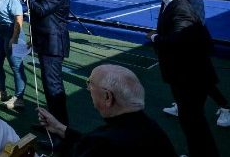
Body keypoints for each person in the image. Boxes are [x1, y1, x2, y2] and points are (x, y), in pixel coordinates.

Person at [147, 0, 219, 156]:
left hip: (190, 77)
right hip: (184, 75)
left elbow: (176, 42)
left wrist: (154, 37)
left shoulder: (181, 9)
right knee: (191, 121)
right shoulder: (170, 3)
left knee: (193, 121)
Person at [37, 64, 177, 157]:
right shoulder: (152, 128)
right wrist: (59, 128)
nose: (88, 89)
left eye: (90, 84)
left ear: (108, 97)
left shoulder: (104, 144)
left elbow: (95, 145)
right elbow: (89, 142)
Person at [160, 0, 230, 128]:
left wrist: (165, 39)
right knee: (178, 80)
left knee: (204, 81)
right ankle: (181, 105)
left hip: (193, 51)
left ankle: (225, 107)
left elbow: (192, 26)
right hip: (177, 50)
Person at [18, 0, 70, 147]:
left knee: (54, 87)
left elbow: (40, 10)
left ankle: (61, 133)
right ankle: (51, 124)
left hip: (53, 45)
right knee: (49, 87)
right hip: (46, 43)